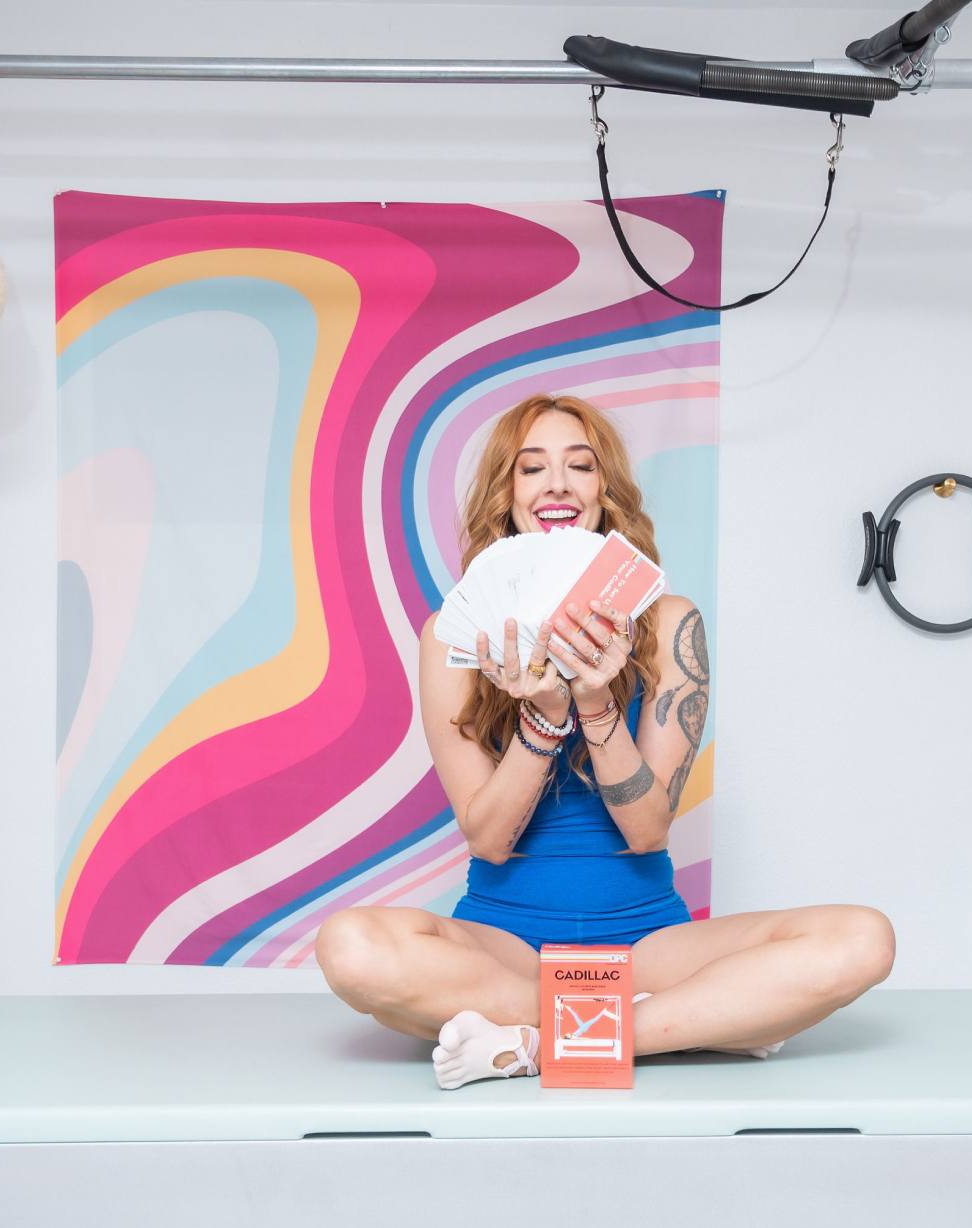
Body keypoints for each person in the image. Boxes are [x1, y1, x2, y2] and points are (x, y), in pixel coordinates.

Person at [315, 393, 895, 1089]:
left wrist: (594, 703)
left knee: (862, 939)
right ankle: (694, 1024)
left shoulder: (671, 623)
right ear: (507, 496)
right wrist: (544, 718)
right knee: (350, 947)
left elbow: (647, 832)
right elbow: (489, 838)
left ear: (605, 491)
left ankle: (535, 1044)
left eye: (579, 466)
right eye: (531, 469)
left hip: (649, 943)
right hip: (505, 950)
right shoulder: (451, 638)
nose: (557, 483)